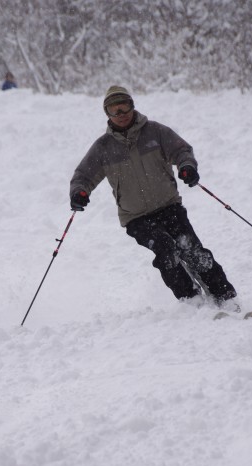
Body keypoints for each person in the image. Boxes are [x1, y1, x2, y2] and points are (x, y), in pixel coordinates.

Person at [69, 86, 238, 307]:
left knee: (192, 250)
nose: (122, 114)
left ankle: (225, 297)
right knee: (165, 248)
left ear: (132, 105)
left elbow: (181, 151)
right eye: (114, 110)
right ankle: (191, 299)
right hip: (136, 218)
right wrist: (79, 192)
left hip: (169, 206)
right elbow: (83, 175)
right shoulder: (103, 147)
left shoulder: (155, 132)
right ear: (107, 114)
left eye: (125, 107)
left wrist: (187, 166)